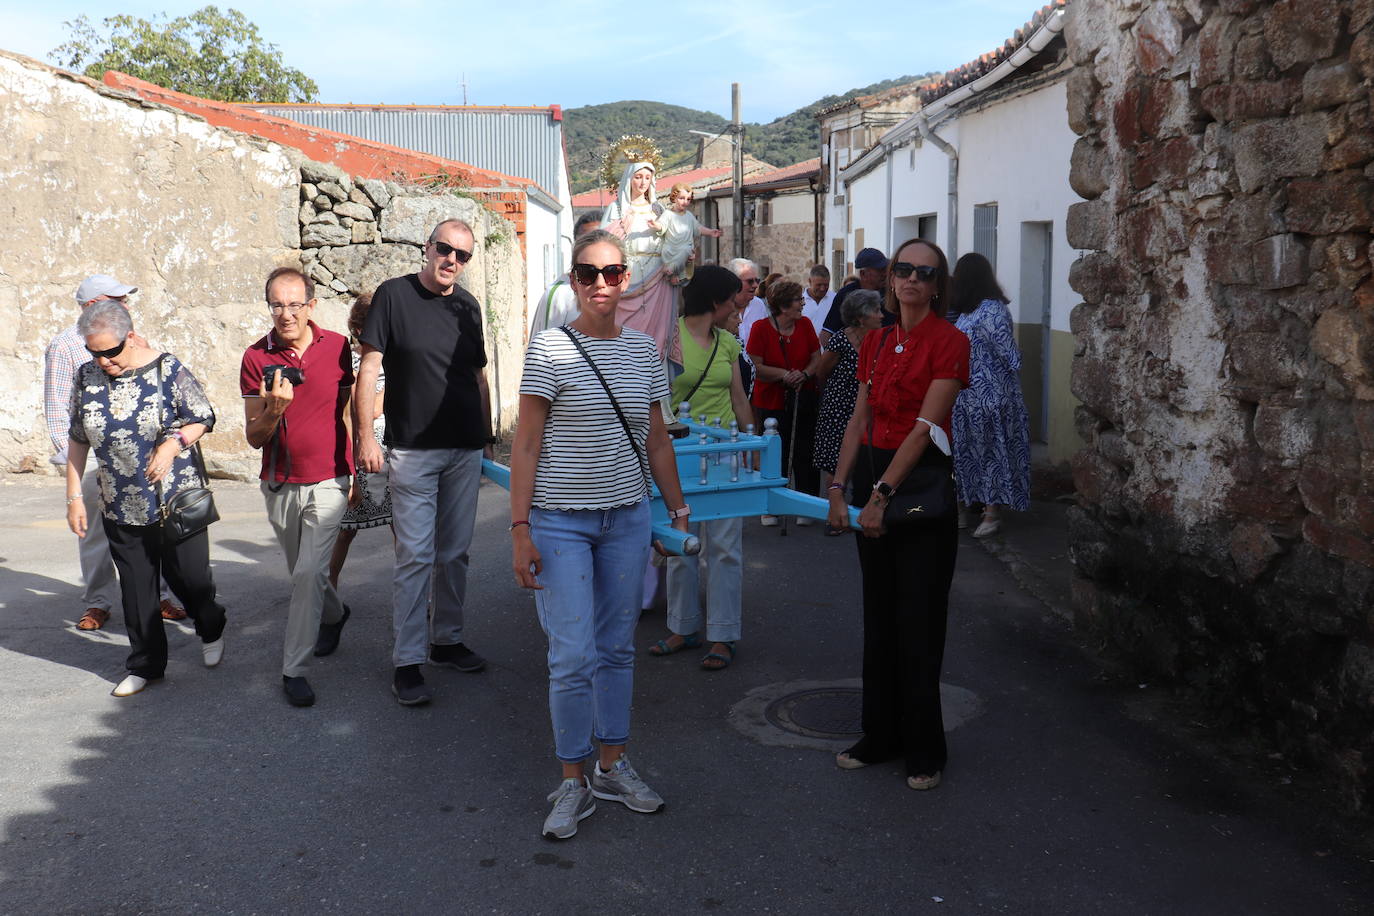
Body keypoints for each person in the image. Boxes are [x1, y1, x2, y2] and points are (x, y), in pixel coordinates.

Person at [510, 229, 690, 840]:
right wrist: (518, 529)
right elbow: (526, 445)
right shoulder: (549, 350)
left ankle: (611, 766)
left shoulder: (645, 353)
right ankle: (572, 779)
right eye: (587, 274)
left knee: (616, 649)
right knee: (571, 655)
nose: (601, 285)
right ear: (573, 280)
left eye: (612, 273)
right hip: (560, 520)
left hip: (627, 520)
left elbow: (657, 440)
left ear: (629, 277)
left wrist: (677, 513)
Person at [826, 238, 970, 792]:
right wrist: (840, 488)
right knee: (879, 616)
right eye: (902, 270)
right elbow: (859, 420)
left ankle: (925, 747)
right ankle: (879, 734)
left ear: (937, 284)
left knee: (919, 621)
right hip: (871, 476)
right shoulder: (877, 342)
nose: (910, 279)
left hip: (919, 485)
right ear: (889, 280)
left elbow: (926, 428)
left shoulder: (950, 341)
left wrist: (881, 496)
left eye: (923, 273)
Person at [356, 218, 496, 706]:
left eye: (462, 255)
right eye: (444, 249)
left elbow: (477, 376)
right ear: (427, 247)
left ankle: (447, 641)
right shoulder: (392, 296)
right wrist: (363, 438)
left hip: (463, 448)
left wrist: (488, 434)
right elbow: (370, 368)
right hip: (412, 449)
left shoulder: (468, 306)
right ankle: (408, 661)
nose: (452, 260)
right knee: (415, 555)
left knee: (454, 552)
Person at [64, 299, 226, 697]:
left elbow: (203, 416)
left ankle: (211, 624)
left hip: (174, 499)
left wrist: (172, 445)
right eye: (94, 351)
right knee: (137, 590)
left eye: (110, 351)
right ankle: (146, 664)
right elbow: (78, 436)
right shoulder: (86, 377)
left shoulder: (166, 369)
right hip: (120, 501)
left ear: (131, 337)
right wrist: (73, 496)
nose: (102, 360)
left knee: (191, 581)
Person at [45, 274, 186, 630]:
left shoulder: (129, 335)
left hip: (137, 451)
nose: (127, 306)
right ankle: (98, 602)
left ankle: (159, 595)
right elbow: (57, 407)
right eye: (118, 299)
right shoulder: (65, 346)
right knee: (94, 533)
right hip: (93, 454)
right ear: (93, 304)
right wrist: (75, 465)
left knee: (150, 524)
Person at [240, 267, 354, 708]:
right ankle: (335, 614)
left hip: (329, 478)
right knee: (303, 572)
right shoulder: (255, 357)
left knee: (309, 573)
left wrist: (357, 471)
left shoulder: (338, 349)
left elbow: (347, 412)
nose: (285, 314)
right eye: (276, 305)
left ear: (311, 305)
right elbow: (254, 436)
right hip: (280, 482)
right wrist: (274, 410)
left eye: (293, 304)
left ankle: (294, 670)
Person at [652, 266, 752, 670]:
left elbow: (739, 397)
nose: (738, 304)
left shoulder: (728, 343)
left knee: (726, 549)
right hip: (678, 457)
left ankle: (724, 635)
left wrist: (752, 443)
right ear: (716, 301)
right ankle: (683, 626)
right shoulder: (667, 337)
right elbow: (656, 402)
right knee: (682, 543)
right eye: (733, 297)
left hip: (725, 456)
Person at [948, 252, 1031, 537]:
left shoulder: (992, 310)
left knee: (991, 454)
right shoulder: (969, 311)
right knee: (965, 454)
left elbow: (1010, 355)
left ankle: (992, 513)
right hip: (967, 398)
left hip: (992, 398)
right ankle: (964, 507)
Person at [747, 279, 823, 525]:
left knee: (805, 451)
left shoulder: (806, 325)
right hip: (771, 400)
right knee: (774, 453)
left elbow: (816, 357)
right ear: (783, 305)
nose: (802, 303)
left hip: (804, 396)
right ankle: (771, 506)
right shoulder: (760, 328)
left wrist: (805, 374)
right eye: (798, 300)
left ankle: (806, 504)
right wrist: (783, 374)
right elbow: (755, 366)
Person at [330, 292, 392, 589]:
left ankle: (419, 593)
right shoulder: (354, 361)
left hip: (391, 448)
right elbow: (367, 408)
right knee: (347, 526)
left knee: (401, 525)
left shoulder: (390, 356)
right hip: (365, 446)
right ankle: (326, 587)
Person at [813, 289, 884, 534]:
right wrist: (832, 396)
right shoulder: (841, 339)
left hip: (867, 408)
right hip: (838, 407)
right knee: (834, 462)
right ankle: (835, 515)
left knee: (864, 462)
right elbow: (822, 371)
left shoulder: (882, 339)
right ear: (861, 317)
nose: (881, 315)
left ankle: (860, 512)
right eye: (876, 311)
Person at [529, 212, 603, 338]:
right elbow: (543, 351)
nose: (592, 248)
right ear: (575, 247)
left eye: (599, 240)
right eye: (586, 241)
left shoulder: (620, 291)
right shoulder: (559, 294)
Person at [651, 182, 722, 283]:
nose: (685, 202)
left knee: (688, 250)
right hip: (671, 250)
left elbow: (697, 228)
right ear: (674, 198)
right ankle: (671, 271)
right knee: (686, 251)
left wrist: (710, 232)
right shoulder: (668, 214)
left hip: (685, 250)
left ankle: (673, 274)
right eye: (681, 198)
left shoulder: (689, 215)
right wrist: (655, 225)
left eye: (688, 199)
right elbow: (662, 225)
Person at [821, 247, 893, 346]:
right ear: (863, 274)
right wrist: (836, 356)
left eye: (886, 268)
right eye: (880, 270)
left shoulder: (891, 294)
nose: (885, 273)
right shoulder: (846, 294)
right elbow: (827, 333)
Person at [730, 258, 767, 351]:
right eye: (750, 281)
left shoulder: (758, 305)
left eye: (757, 281)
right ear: (734, 281)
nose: (755, 285)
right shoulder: (722, 306)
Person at [801, 265, 836, 332]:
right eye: (818, 285)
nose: (822, 288)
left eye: (826, 285)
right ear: (810, 281)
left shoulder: (835, 299)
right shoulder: (799, 301)